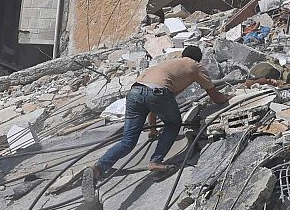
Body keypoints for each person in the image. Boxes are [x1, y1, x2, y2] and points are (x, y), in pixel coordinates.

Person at [90, 45, 229, 183]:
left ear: (183, 55)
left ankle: (98, 168)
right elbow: (214, 96)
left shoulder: (167, 65)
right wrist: (227, 98)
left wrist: (152, 129)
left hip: (134, 92)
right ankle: (156, 161)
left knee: (128, 141)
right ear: (198, 59)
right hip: (158, 93)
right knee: (173, 124)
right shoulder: (195, 66)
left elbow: (152, 102)